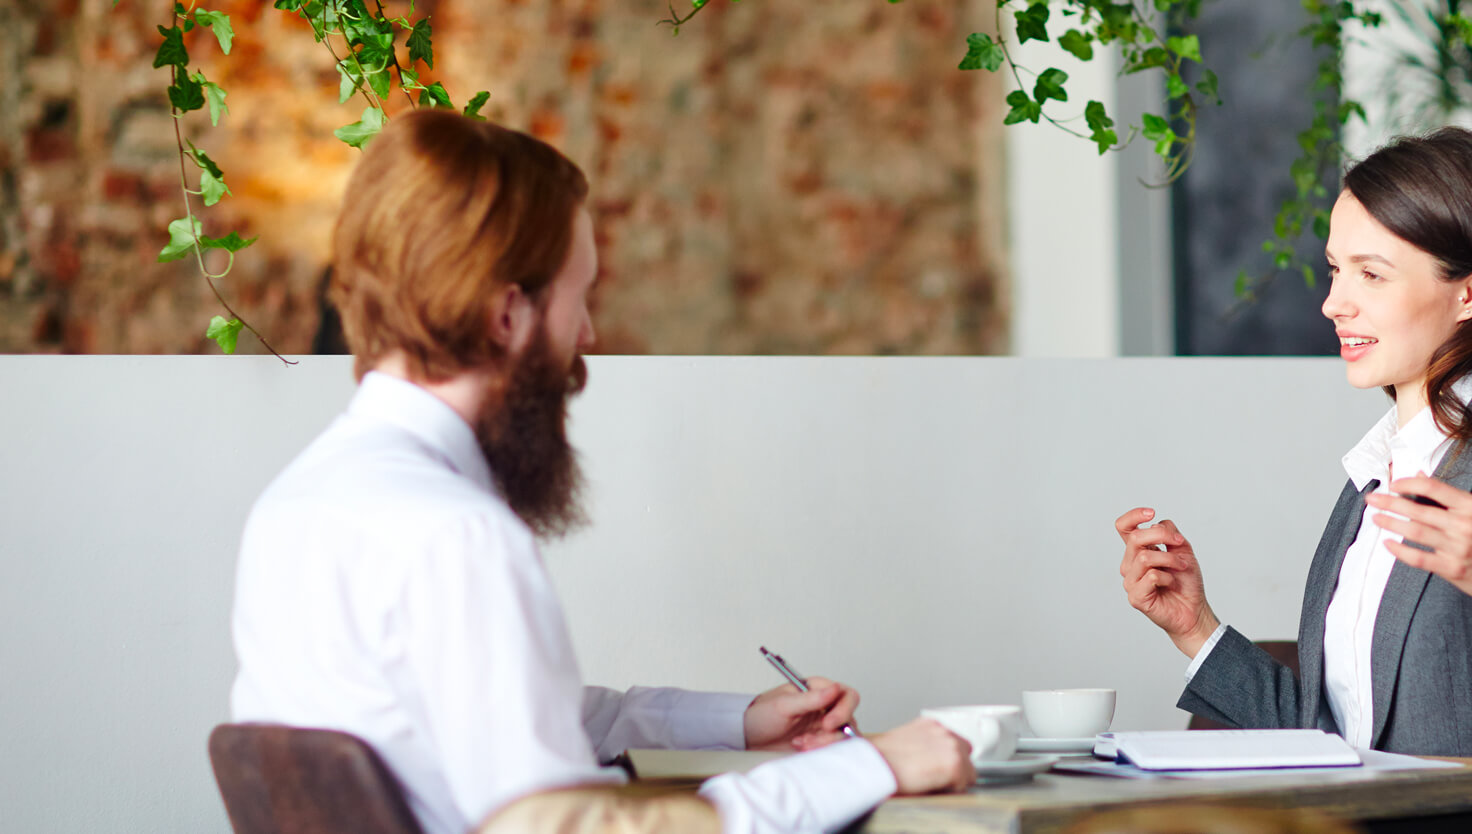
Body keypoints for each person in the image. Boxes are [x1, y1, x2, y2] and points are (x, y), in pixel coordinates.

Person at [229, 110, 974, 834]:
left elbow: (514, 721)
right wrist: (870, 767)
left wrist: (740, 723)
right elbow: (566, 824)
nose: (587, 334)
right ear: (506, 315)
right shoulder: (455, 537)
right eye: (577, 298)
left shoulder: (298, 505)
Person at [1114, 127, 1472, 832]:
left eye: (1371, 273)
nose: (1335, 302)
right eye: (1335, 271)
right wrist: (1196, 628)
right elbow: (1333, 742)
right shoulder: (1375, 470)